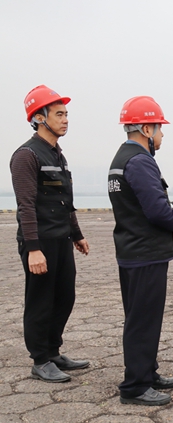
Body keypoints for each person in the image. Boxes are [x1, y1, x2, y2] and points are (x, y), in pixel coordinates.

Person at [108, 96, 173, 406]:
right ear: (146, 129)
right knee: (143, 320)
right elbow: (156, 209)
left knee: (140, 316)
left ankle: (147, 371)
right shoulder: (140, 161)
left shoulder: (120, 159)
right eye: (159, 128)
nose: (162, 134)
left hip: (131, 250)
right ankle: (135, 386)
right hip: (145, 253)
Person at [10, 85, 90, 383]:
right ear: (39, 118)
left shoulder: (57, 155)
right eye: (59, 114)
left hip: (61, 238)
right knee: (40, 301)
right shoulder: (26, 155)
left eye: (66, 114)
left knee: (64, 297)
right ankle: (40, 360)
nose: (65, 119)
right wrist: (33, 248)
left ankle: (53, 351)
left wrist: (77, 234)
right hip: (40, 241)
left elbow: (64, 199)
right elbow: (26, 205)